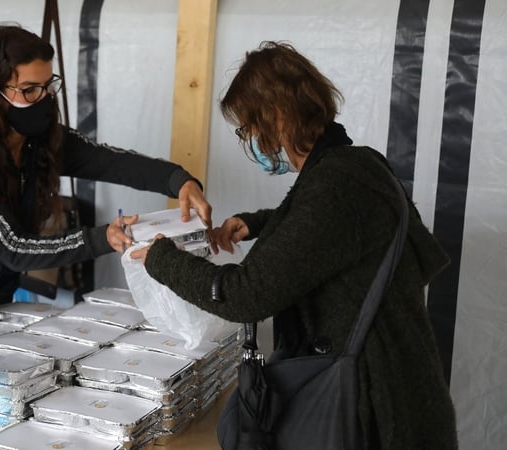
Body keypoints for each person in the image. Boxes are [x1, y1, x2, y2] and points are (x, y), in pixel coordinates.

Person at [131, 41, 457, 449]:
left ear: (277, 116)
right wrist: (255, 224)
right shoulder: (355, 164)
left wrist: (164, 260)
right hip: (397, 384)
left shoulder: (337, 184)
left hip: (377, 409)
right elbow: (331, 231)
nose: (249, 139)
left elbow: (245, 296)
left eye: (248, 127)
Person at [0, 23, 211, 391]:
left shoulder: (41, 142)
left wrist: (179, 180)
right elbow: (15, 248)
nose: (44, 98)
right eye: (29, 90)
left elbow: (110, 161)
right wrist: (103, 238)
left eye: (49, 85)